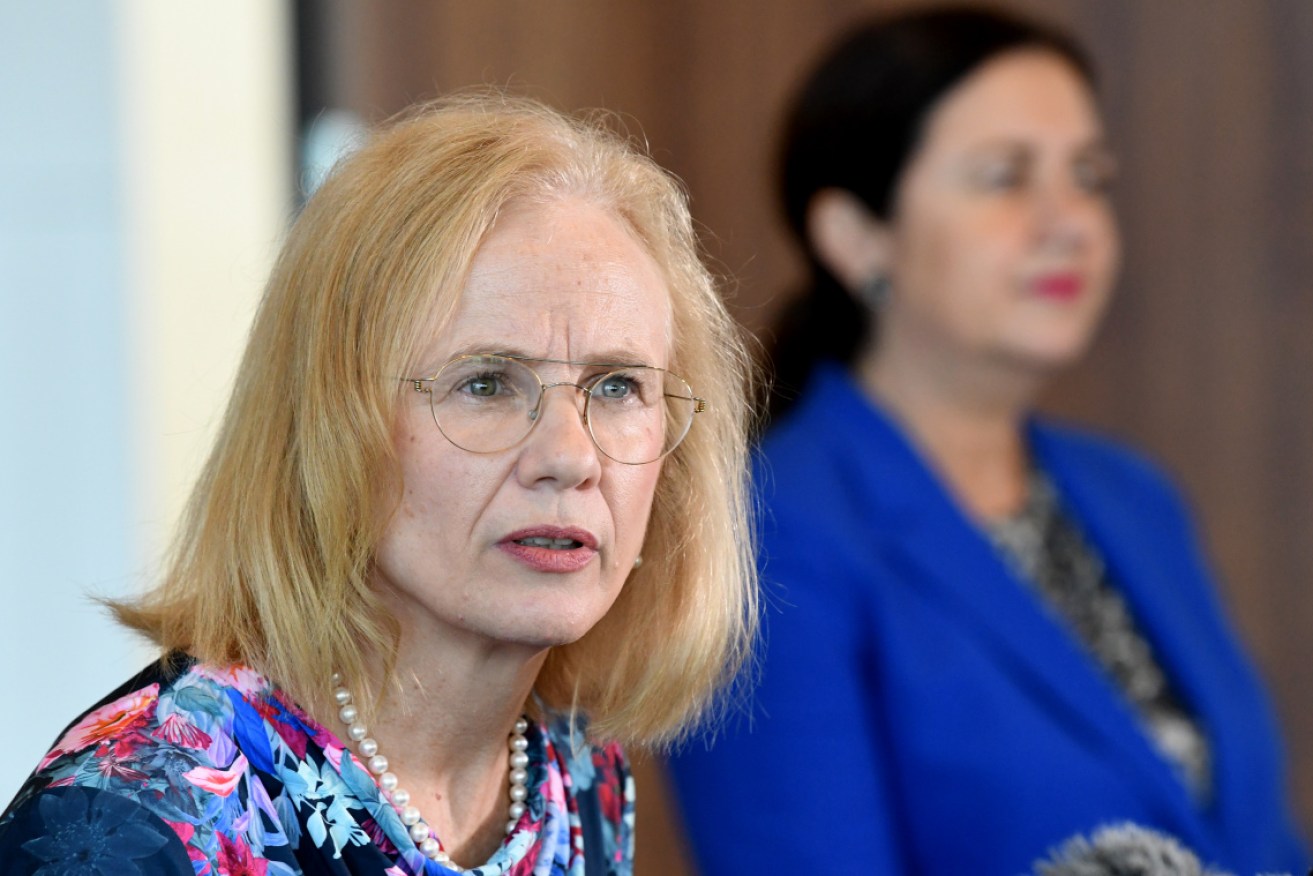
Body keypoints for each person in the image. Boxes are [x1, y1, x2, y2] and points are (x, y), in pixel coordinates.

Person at [0, 94, 756, 875]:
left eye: (616, 386)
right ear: (328, 424)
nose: (570, 457)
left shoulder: (573, 769)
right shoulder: (126, 830)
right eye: (488, 383)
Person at [665, 7, 1306, 875]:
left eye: (1088, 175)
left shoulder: (1132, 496)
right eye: (1005, 177)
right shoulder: (766, 535)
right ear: (856, 238)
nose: (1068, 219)